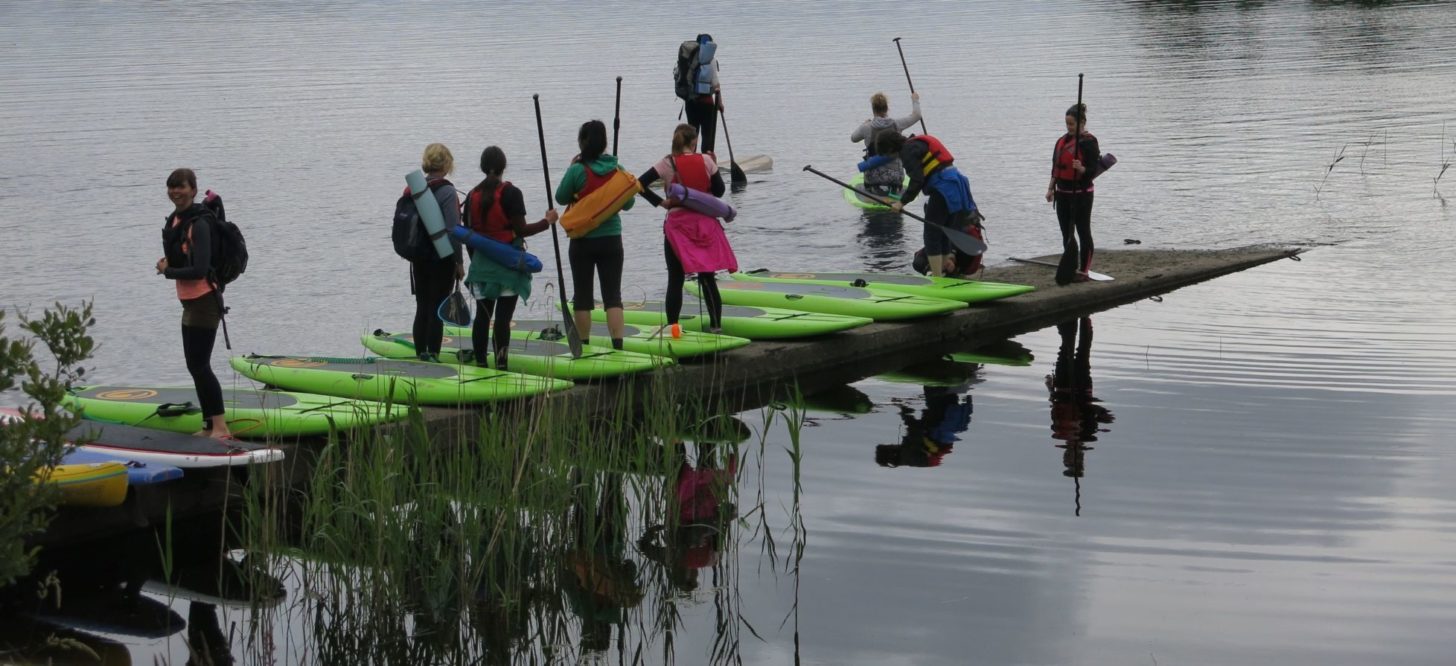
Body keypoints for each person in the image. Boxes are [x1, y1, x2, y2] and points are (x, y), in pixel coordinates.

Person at [461, 146, 558, 371]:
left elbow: (468, 235)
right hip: (508, 267)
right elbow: (521, 229)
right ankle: (502, 364)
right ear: (504, 166)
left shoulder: (472, 195)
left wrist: (475, 261)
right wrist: (548, 221)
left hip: (481, 267)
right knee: (503, 320)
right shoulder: (511, 193)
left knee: (483, 318)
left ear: (483, 167)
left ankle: (481, 362)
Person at [635, 124, 736, 334]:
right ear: (694, 142)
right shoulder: (706, 160)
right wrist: (714, 165)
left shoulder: (666, 163)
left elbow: (639, 184)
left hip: (677, 225)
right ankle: (716, 326)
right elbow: (719, 191)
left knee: (675, 278)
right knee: (707, 276)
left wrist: (661, 202)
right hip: (705, 225)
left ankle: (673, 328)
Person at [157, 168, 232, 440]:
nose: (176, 192)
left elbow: (200, 269)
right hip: (189, 303)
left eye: (182, 187)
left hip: (204, 301)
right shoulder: (176, 220)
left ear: (193, 190)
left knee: (201, 365)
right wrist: (169, 266)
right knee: (194, 365)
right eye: (171, 187)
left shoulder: (199, 223)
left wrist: (168, 272)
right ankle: (208, 425)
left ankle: (221, 428)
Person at [555, 120, 635, 349]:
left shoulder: (577, 169)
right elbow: (628, 203)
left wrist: (572, 170)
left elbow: (561, 197)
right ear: (605, 143)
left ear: (582, 142)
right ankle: (618, 345)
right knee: (613, 297)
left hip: (582, 240)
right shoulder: (617, 169)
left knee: (582, 297)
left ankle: (584, 345)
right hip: (611, 239)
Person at [880, 132, 982, 277]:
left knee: (931, 233)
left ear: (890, 148)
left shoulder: (907, 151)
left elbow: (917, 180)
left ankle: (937, 277)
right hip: (957, 184)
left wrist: (901, 202)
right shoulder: (916, 143)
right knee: (944, 231)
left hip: (943, 188)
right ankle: (946, 272)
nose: (891, 156)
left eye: (888, 153)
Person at [409, 143, 465, 361]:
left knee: (422, 306)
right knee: (437, 308)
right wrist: (459, 262)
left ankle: (420, 353)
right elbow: (454, 231)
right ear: (447, 163)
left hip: (419, 257)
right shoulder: (448, 192)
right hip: (442, 258)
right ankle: (433, 355)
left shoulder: (416, 188)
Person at [1046, 103, 1101, 285]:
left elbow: (1093, 169)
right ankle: (1071, 267)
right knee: (1066, 233)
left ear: (1082, 122)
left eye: (1072, 124)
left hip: (1082, 194)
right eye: (1067, 123)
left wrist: (1082, 168)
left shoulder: (1089, 143)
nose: (1069, 127)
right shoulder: (1061, 141)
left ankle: (1084, 270)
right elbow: (1056, 167)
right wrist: (1050, 188)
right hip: (1062, 193)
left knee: (1083, 231)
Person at [850, 91, 921, 196]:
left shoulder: (866, 127)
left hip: (873, 178)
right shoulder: (897, 124)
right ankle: (895, 188)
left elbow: (853, 138)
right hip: (896, 177)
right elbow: (917, 115)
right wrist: (915, 100)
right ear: (887, 108)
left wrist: (863, 124)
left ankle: (874, 188)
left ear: (873, 109)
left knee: (871, 178)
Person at [681, 33, 722, 155]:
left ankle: (689, 160)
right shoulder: (711, 60)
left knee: (692, 134)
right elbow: (716, 85)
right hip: (707, 104)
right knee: (707, 135)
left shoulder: (690, 58)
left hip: (690, 103)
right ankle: (706, 162)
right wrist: (720, 103)